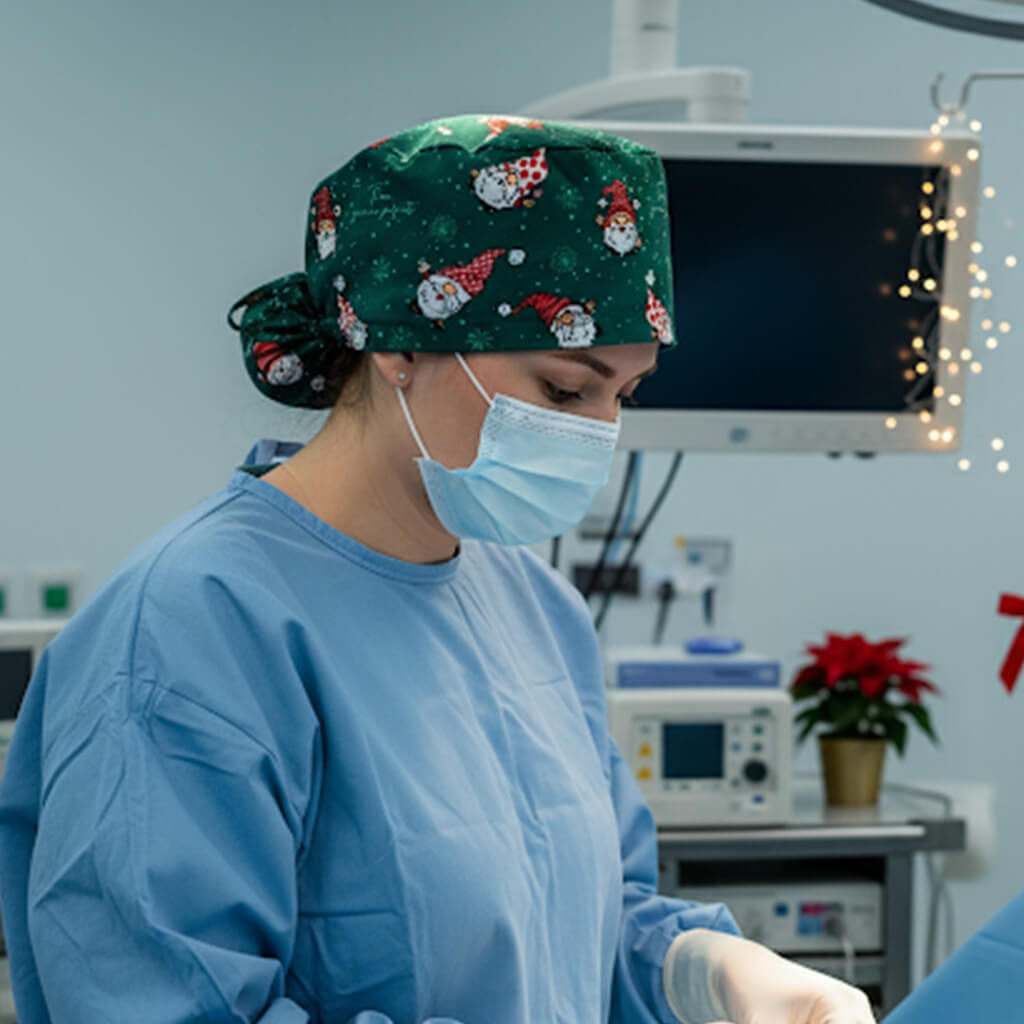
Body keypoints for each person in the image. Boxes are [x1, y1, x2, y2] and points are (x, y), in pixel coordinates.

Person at [0, 113, 875, 1024]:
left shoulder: (538, 611)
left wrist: (697, 970)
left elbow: (574, 930)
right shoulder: (189, 631)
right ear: (401, 344)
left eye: (627, 394)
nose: (598, 433)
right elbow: (157, 1001)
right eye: (566, 388)